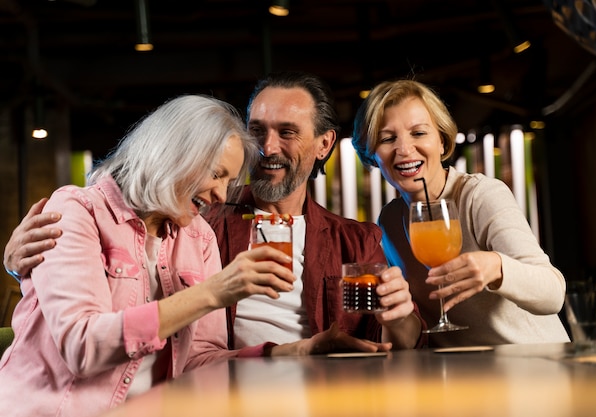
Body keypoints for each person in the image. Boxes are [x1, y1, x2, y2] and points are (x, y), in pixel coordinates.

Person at [0, 94, 384, 417]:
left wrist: (300, 350)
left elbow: (200, 359)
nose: (221, 194)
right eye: (216, 174)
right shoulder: (79, 210)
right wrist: (213, 293)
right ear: (175, 154)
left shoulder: (196, 234)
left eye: (229, 181)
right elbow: (83, 347)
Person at [3, 72, 425, 352]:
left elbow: (400, 344)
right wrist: (22, 263)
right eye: (256, 131)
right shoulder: (196, 220)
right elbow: (119, 235)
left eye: (288, 133)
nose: (268, 148)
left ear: (324, 145)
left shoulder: (356, 239)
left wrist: (401, 313)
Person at [351, 78, 570, 347]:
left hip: (536, 370)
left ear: (442, 142)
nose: (405, 149)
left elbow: (553, 293)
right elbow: (411, 333)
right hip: (463, 378)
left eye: (419, 133)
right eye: (387, 138)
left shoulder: (479, 195)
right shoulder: (390, 221)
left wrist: (497, 267)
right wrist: (394, 314)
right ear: (373, 155)